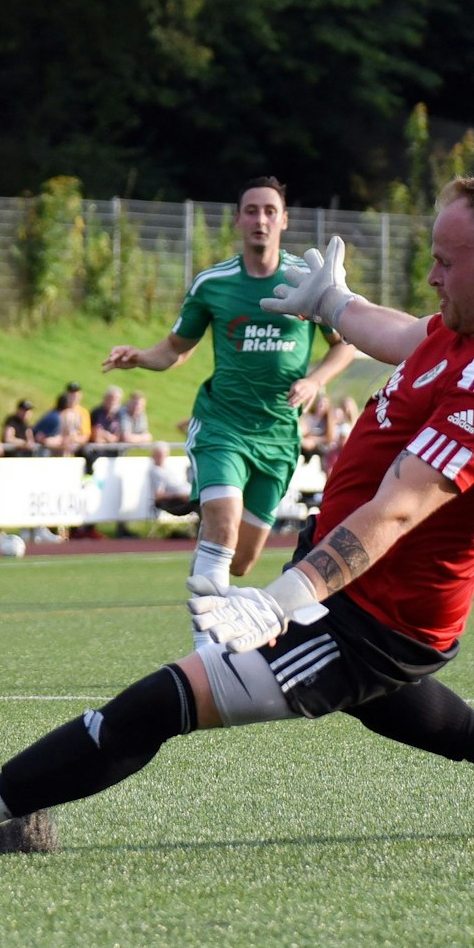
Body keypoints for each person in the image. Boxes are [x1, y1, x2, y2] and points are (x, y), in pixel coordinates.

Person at [0, 175, 474, 869]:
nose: (432, 276)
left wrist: (281, 598)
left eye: (445, 262)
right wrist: (334, 304)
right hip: (363, 596)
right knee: (388, 706)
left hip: (368, 616)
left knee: (157, 704)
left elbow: (400, 507)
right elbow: (405, 334)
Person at [101, 176, 358, 650]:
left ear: (283, 219)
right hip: (222, 424)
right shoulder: (213, 283)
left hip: (278, 436)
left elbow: (344, 347)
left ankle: (210, 556)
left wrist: (315, 380)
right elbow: (175, 348)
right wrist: (139, 355)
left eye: (269, 211)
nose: (260, 219)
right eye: (251, 210)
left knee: (241, 561)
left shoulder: (307, 279)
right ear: (239, 219)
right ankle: (208, 649)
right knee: (222, 518)